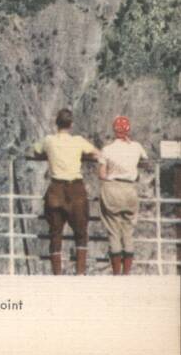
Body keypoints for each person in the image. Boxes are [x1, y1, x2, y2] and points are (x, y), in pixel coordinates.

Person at [32, 108, 99, 275]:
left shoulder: (49, 140)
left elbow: (35, 150)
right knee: (81, 231)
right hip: (76, 189)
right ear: (71, 124)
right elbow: (96, 153)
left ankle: (57, 274)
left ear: (57, 124)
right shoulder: (78, 141)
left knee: (55, 232)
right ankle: (80, 272)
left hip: (56, 188)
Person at [98, 115, 148, 275]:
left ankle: (116, 273)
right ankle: (126, 273)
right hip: (130, 189)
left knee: (113, 230)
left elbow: (102, 174)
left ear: (114, 130)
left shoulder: (107, 149)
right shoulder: (136, 147)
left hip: (112, 188)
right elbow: (145, 161)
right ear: (128, 130)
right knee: (128, 231)